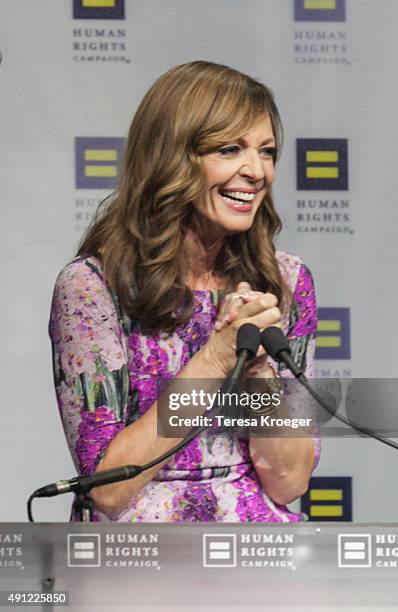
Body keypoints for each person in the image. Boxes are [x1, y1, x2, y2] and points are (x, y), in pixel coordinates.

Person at [49, 60, 319, 522]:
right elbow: (109, 490)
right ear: (172, 157)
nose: (256, 170)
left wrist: (257, 371)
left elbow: (289, 482)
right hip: (136, 556)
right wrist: (214, 359)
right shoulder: (94, 287)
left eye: (267, 151)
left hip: (256, 553)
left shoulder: (285, 282)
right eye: (230, 149)